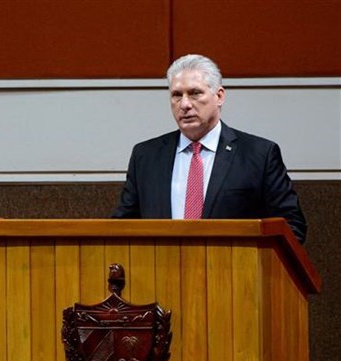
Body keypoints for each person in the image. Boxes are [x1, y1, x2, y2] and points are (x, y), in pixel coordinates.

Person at [112, 54, 307, 243]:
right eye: (177, 95)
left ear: (219, 96)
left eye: (195, 93)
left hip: (233, 273)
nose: (185, 104)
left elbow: (291, 226)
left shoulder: (259, 154)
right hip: (162, 271)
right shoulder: (146, 156)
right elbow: (122, 227)